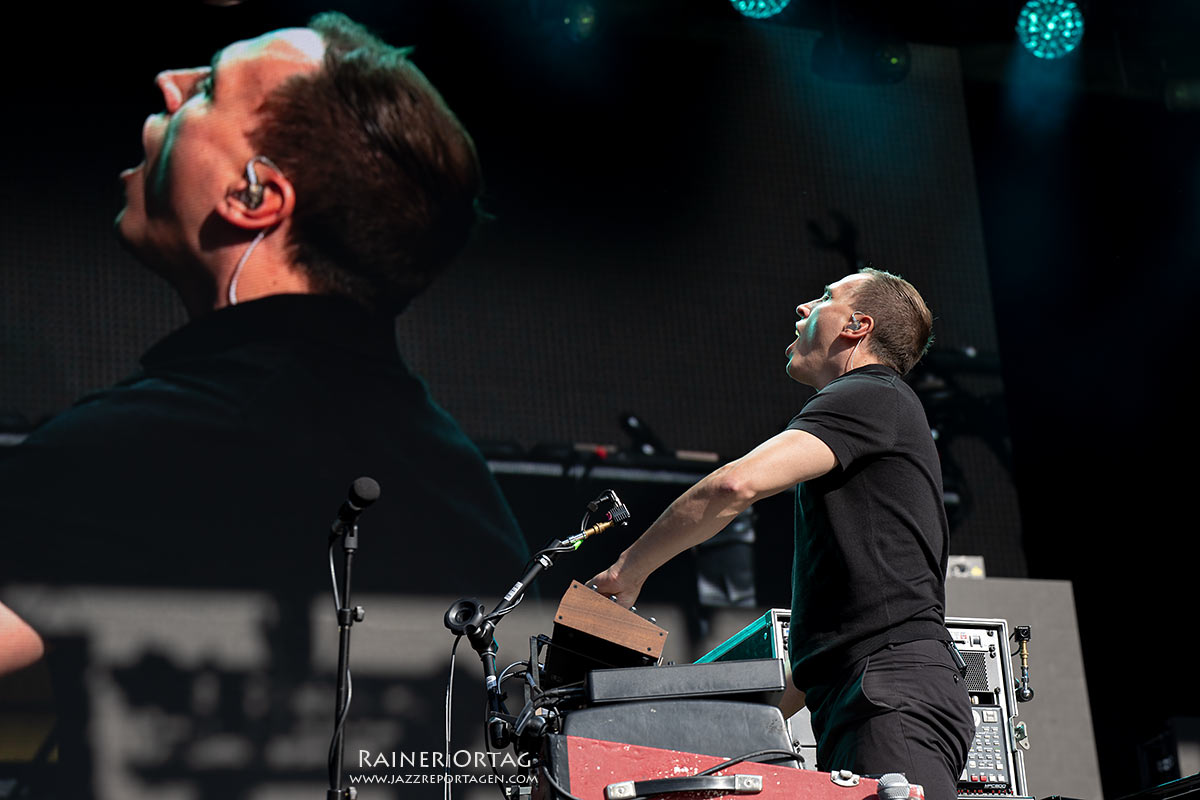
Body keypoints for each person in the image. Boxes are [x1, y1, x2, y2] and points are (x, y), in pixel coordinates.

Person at [0, 12, 529, 795]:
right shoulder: (468, 492)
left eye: (207, 89)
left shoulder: (136, 453)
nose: (168, 84)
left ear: (254, 196)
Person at [589, 268, 975, 800]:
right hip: (871, 693)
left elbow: (732, 485)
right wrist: (711, 732)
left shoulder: (869, 393)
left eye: (823, 298)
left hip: (891, 694)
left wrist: (626, 572)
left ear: (857, 326)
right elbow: (839, 643)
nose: (802, 307)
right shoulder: (873, 411)